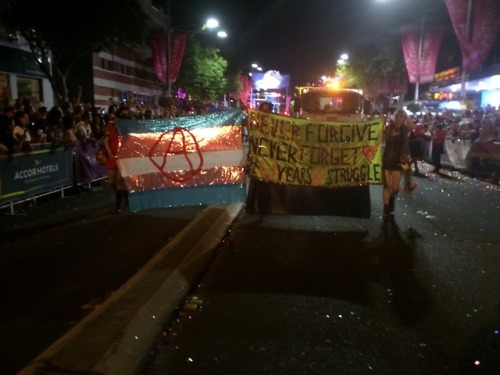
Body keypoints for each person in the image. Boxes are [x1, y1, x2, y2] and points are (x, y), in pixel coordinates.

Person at [382, 109, 410, 220]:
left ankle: (392, 199)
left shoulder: (405, 129)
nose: (398, 118)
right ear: (394, 117)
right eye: (397, 116)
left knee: (395, 188)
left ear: (403, 119)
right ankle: (386, 209)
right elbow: (381, 138)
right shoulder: (388, 128)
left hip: (398, 161)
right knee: (386, 186)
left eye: (401, 117)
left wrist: (407, 117)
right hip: (387, 160)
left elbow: (412, 127)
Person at [104, 109, 128, 213]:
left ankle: (117, 207)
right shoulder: (111, 127)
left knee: (119, 182)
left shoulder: (126, 129)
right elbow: (106, 141)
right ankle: (125, 193)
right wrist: (109, 153)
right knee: (111, 181)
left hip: (122, 158)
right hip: (112, 158)